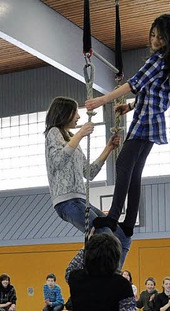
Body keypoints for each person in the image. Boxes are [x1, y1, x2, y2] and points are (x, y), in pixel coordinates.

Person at [85, 14, 170, 240]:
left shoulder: (157, 60)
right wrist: (129, 107)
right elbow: (153, 94)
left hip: (146, 121)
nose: (155, 41)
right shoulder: (169, 63)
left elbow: (134, 83)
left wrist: (104, 99)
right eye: (153, 35)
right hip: (152, 120)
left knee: (123, 165)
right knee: (135, 171)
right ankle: (129, 222)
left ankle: (113, 218)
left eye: (160, 37)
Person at [43, 96, 131, 265]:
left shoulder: (71, 137)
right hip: (66, 201)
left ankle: (115, 272)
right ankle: (104, 275)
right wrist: (81, 134)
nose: (78, 116)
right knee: (103, 233)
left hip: (81, 199)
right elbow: (58, 161)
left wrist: (108, 148)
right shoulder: (53, 133)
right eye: (75, 112)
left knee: (123, 237)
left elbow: (89, 172)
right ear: (65, 113)